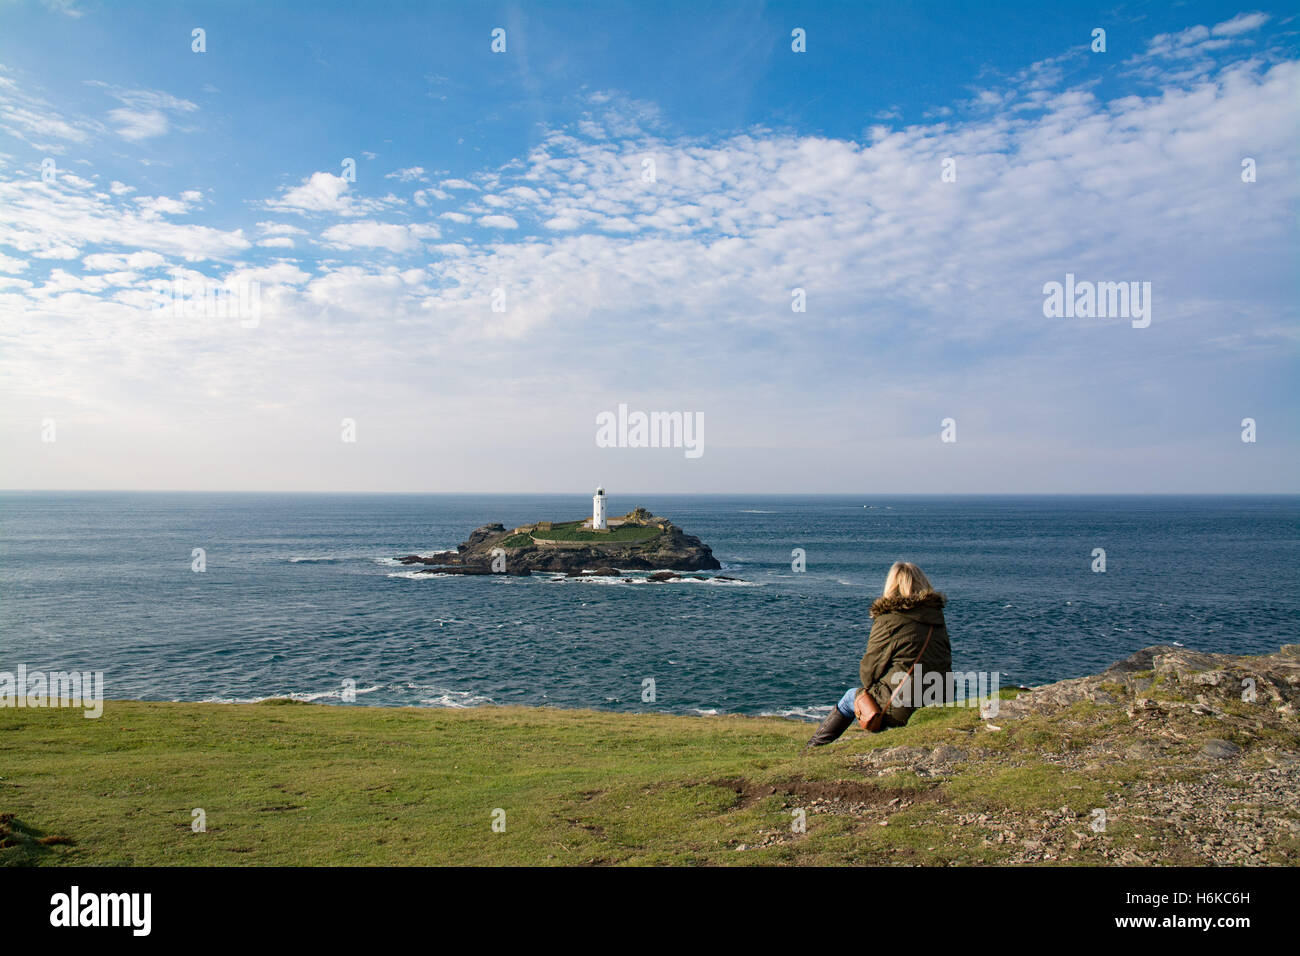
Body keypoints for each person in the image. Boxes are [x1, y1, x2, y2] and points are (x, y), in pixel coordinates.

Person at [805, 561, 952, 748]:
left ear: (891, 585)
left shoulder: (889, 620)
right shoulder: (937, 618)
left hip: (902, 708)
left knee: (851, 697)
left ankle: (812, 749)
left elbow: (868, 674)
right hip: (937, 702)